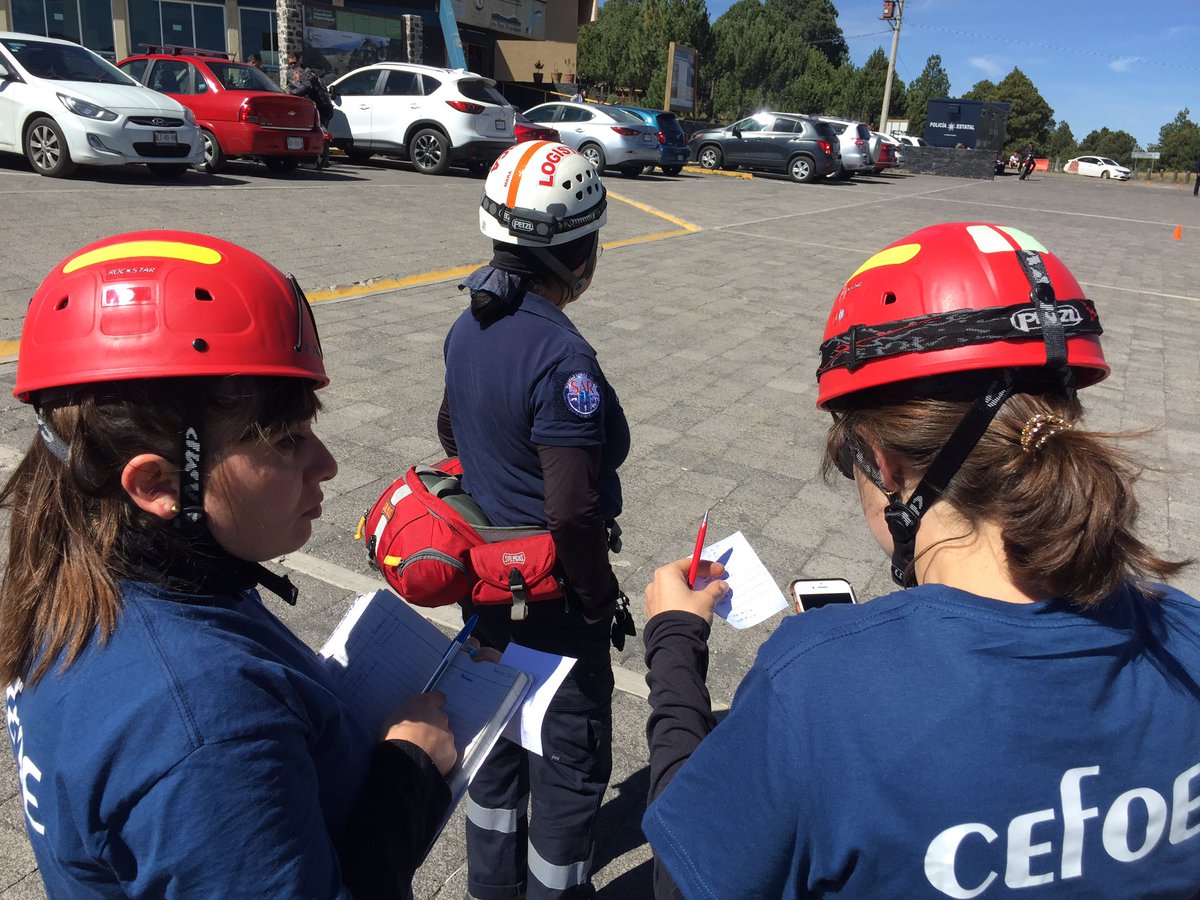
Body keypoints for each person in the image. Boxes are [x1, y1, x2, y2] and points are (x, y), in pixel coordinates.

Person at [640, 222, 1200, 897]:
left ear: (879, 459)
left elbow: (685, 877)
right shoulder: (1184, 640)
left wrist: (675, 640)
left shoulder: (816, 688)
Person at [2, 231, 465, 898]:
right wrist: (410, 768)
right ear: (159, 484)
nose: (327, 464)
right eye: (285, 440)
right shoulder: (207, 728)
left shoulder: (79, 573)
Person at [438, 140, 633, 900]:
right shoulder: (564, 358)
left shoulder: (469, 323)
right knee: (569, 767)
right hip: (551, 600)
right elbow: (573, 508)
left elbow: (451, 432)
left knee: (494, 751)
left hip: (485, 589)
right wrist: (592, 598)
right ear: (578, 252)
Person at [287, 51, 334, 167]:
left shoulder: (305, 72)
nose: (292, 66)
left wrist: (292, 93)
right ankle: (319, 159)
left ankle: (319, 158)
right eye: (290, 64)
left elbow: (306, 87)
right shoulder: (300, 72)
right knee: (318, 131)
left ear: (299, 60)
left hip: (321, 107)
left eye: (294, 63)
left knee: (319, 131)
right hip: (321, 106)